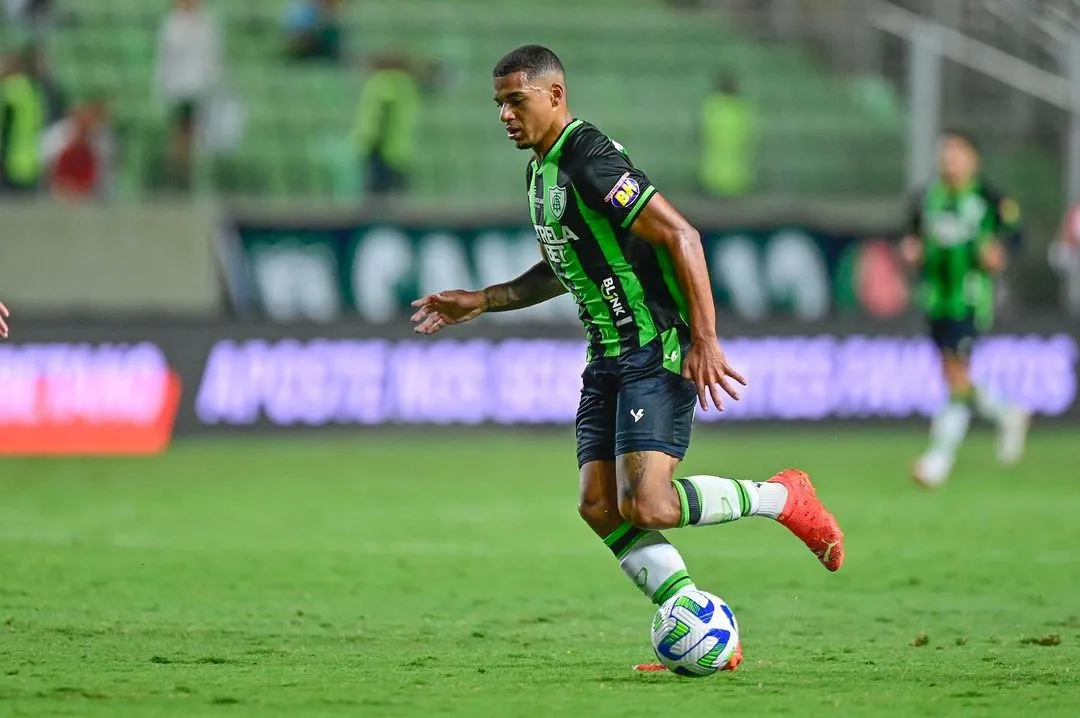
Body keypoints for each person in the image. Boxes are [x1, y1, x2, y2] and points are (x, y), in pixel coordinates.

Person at [410, 45, 845, 671]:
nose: (505, 115)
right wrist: (483, 299)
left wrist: (705, 339)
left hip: (653, 347)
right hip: (607, 356)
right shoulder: (541, 171)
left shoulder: (589, 157)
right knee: (599, 507)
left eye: (516, 101)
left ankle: (782, 498)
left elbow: (680, 234)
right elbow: (567, 267)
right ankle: (697, 627)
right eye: (499, 105)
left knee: (650, 505)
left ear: (554, 95)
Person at [900, 129, 1029, 488]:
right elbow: (911, 236)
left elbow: (1016, 235)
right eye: (944, 153)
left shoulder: (989, 198)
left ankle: (938, 460)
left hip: (970, 298)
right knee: (954, 374)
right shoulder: (927, 198)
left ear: (973, 158)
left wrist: (1000, 252)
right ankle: (1008, 412)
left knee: (957, 376)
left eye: (956, 153)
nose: (948, 160)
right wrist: (911, 251)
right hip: (935, 297)